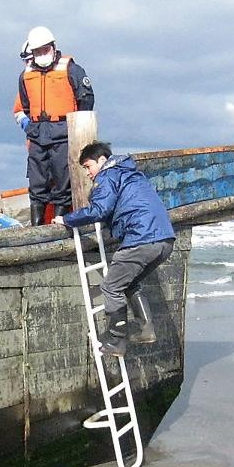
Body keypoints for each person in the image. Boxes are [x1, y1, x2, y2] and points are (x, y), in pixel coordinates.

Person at [54, 142, 175, 356]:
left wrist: (67, 219)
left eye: (88, 167)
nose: (89, 174)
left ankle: (116, 341)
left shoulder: (108, 175)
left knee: (111, 287)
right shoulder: (133, 174)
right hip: (165, 240)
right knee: (130, 283)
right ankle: (145, 330)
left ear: (102, 160)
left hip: (142, 238)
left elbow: (100, 209)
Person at [13, 25, 94, 225]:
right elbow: (23, 105)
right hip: (38, 133)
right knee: (37, 179)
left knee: (63, 177)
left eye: (44, 49)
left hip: (64, 131)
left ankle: (59, 220)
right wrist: (29, 127)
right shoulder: (25, 75)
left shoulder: (71, 69)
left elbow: (86, 99)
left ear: (53, 46)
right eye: (37, 51)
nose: (41, 54)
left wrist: (76, 129)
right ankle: (36, 228)